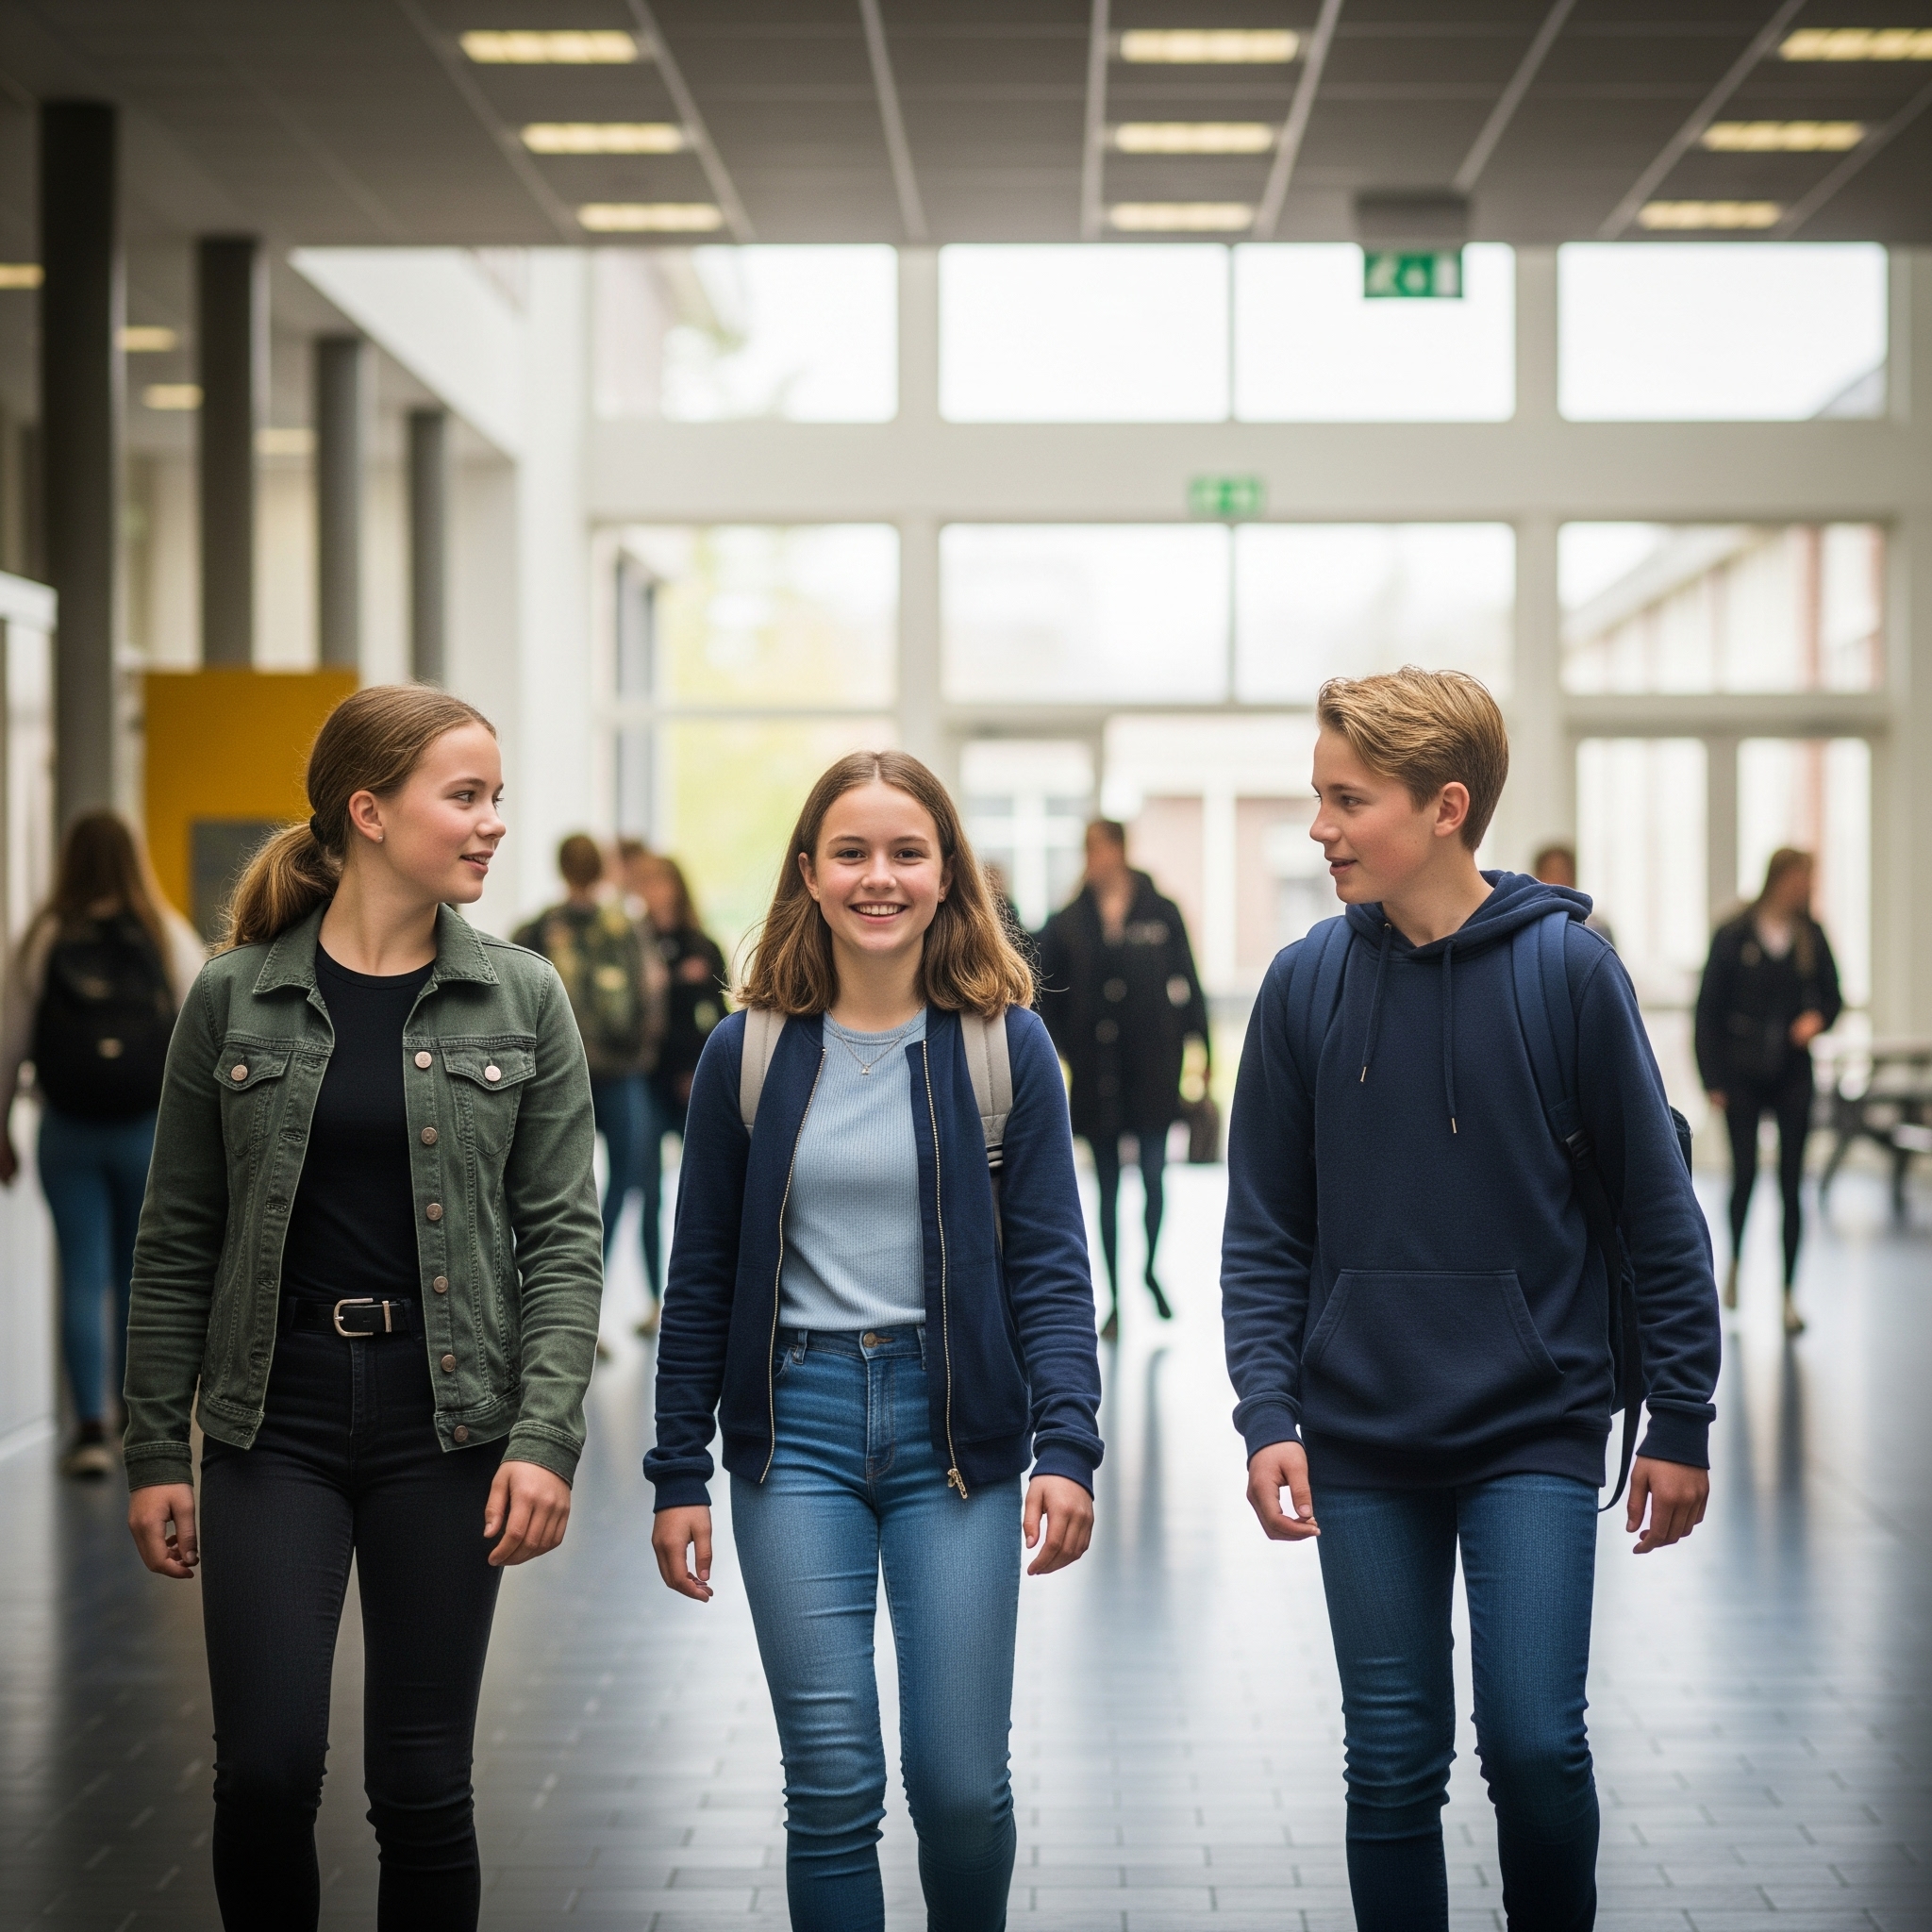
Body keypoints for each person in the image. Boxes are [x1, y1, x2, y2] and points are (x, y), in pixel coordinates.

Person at [1222, 668, 1721, 1932]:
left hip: (1534, 1423)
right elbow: (1266, 1232)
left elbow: (1660, 1218)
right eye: (1318, 798)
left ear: (1447, 807)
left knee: (1538, 1751)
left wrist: (1680, 1418)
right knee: (1391, 1765)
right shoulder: (1301, 986)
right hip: (1361, 1431)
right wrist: (1268, 1410)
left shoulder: (1570, 976)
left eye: (1349, 800)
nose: (1322, 828)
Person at [122, 685, 604, 1931]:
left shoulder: (523, 998)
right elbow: (178, 1235)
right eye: (467, 796)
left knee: (423, 1787)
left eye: (496, 794)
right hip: (268, 1420)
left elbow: (561, 1236)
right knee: (267, 1773)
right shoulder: (233, 997)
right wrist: (150, 1449)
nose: (494, 822)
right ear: (370, 810)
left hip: (445, 1425)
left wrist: (546, 1438)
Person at [646, 749, 1103, 1932]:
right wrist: (675, 1468)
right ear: (808, 871)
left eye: (906, 851)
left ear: (948, 874)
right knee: (834, 1787)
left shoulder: (1008, 1050)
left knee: (957, 1787)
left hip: (953, 1435)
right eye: (850, 851)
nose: (878, 876)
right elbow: (697, 1274)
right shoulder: (741, 1052)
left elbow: (1052, 1267)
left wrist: (1068, 1444)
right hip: (792, 1432)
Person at [0, 811, 205, 1476]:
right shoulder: (164, 930)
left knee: (81, 1274)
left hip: (68, 1130)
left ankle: (87, 1428)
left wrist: (1, 1125)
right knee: (142, 1277)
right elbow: (204, 1030)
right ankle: (134, 1422)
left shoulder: (45, 936)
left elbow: (8, 1040)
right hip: (150, 1130)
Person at [1036, 819, 1208, 1340]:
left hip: (1154, 1068)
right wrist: (1062, 1047)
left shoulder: (1161, 912)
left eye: (1103, 849)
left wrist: (1201, 1057)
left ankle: (1150, 1269)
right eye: (1089, 850)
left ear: (1121, 850)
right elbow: (1043, 993)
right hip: (1096, 1074)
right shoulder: (1068, 922)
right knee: (1106, 1188)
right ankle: (1113, 1299)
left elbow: (1189, 986)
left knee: (1155, 1177)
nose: (1096, 859)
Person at [515, 835, 666, 1322]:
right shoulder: (622, 927)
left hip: (562, 1074)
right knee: (628, 1180)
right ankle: (596, 1289)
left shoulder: (537, 930)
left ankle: (573, 1307)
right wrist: (643, 1053)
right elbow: (651, 993)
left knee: (562, 1193)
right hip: (619, 1074)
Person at [1695, 846, 1841, 1334]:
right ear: (1780, 879)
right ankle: (1733, 1266)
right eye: (1801, 879)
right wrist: (1712, 1079)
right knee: (1744, 1177)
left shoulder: (1810, 936)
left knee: (1791, 1185)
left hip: (1792, 1074)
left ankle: (1788, 1294)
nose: (1805, 889)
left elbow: (1833, 996)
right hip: (1740, 1073)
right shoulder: (1735, 934)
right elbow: (1708, 1010)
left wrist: (1816, 1019)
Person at [621, 842, 724, 1335]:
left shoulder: (701, 946)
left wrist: (699, 1072)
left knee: (700, 1192)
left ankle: (704, 1296)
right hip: (643, 1083)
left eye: (660, 882)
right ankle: (655, 1300)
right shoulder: (630, 947)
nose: (652, 892)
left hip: (691, 1085)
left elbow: (721, 1023)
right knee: (646, 1190)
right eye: (645, 883)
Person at [1532, 842, 1616, 950]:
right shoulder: (1526, 926)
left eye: (1564, 874)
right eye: (1551, 873)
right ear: (1536, 877)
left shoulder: (1597, 928)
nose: (1558, 880)